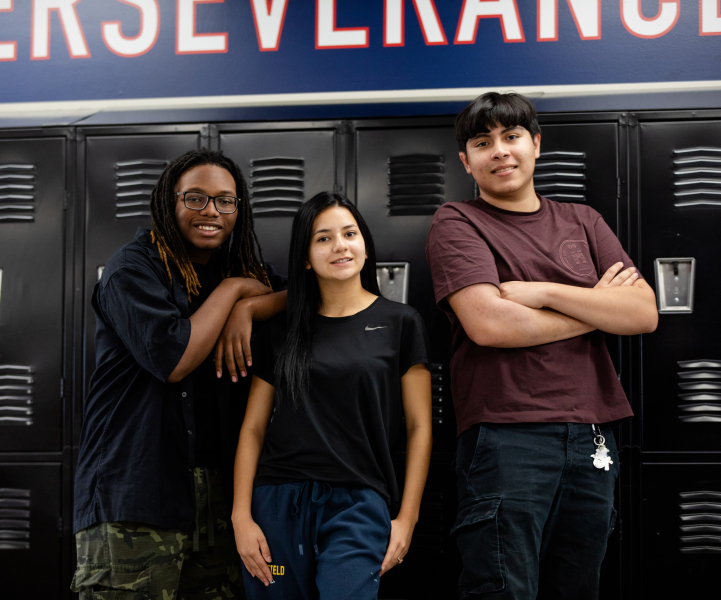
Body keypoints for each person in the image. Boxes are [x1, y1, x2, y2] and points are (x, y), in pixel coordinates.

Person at [425, 92, 658, 599]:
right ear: (466, 161)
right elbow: (490, 324)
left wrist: (546, 293)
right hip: (506, 435)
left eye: (511, 136)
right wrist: (596, 308)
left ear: (535, 144)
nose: (500, 151)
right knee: (503, 589)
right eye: (483, 143)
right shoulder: (457, 221)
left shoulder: (584, 220)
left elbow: (643, 313)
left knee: (577, 588)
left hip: (592, 434)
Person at [71, 149, 287, 600]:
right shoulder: (133, 268)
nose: (211, 211)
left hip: (219, 500)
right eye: (196, 198)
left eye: (225, 201)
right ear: (170, 202)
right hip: (137, 494)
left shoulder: (239, 265)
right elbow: (173, 358)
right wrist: (234, 292)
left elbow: (302, 296)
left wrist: (248, 307)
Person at [231, 193, 432, 600]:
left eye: (350, 234)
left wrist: (407, 518)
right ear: (305, 258)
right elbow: (252, 429)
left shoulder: (401, 323)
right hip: (277, 506)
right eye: (323, 238)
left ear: (365, 246)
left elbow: (419, 427)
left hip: (358, 506)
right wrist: (241, 517)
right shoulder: (282, 331)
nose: (340, 245)